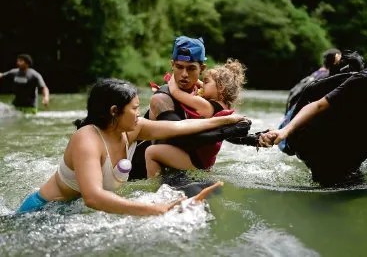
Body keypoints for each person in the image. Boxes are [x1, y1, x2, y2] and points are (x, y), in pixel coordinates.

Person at [16, 79, 245, 215]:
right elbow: (93, 198)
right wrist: (155, 210)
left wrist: (225, 120)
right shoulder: (87, 140)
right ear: (114, 111)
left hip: (75, 213)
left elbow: (181, 126)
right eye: (134, 108)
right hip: (42, 212)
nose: (139, 113)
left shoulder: (132, 129)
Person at [259, 49, 367, 186]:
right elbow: (318, 106)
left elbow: (366, 120)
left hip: (351, 151)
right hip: (326, 152)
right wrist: (285, 131)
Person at [129, 36, 252, 181]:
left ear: (202, 69)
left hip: (181, 168)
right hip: (144, 173)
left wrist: (252, 139)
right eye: (179, 67)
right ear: (172, 65)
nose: (184, 75)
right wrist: (227, 129)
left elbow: (210, 131)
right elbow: (182, 138)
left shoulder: (201, 94)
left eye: (191, 68)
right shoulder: (162, 99)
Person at [145, 58, 246, 178]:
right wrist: (198, 81)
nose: (202, 85)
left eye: (206, 82)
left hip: (195, 161)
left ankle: (154, 188)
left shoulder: (206, 105)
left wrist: (173, 78)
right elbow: (208, 87)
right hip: (205, 161)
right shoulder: (223, 106)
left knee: (151, 152)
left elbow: (176, 93)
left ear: (221, 88)